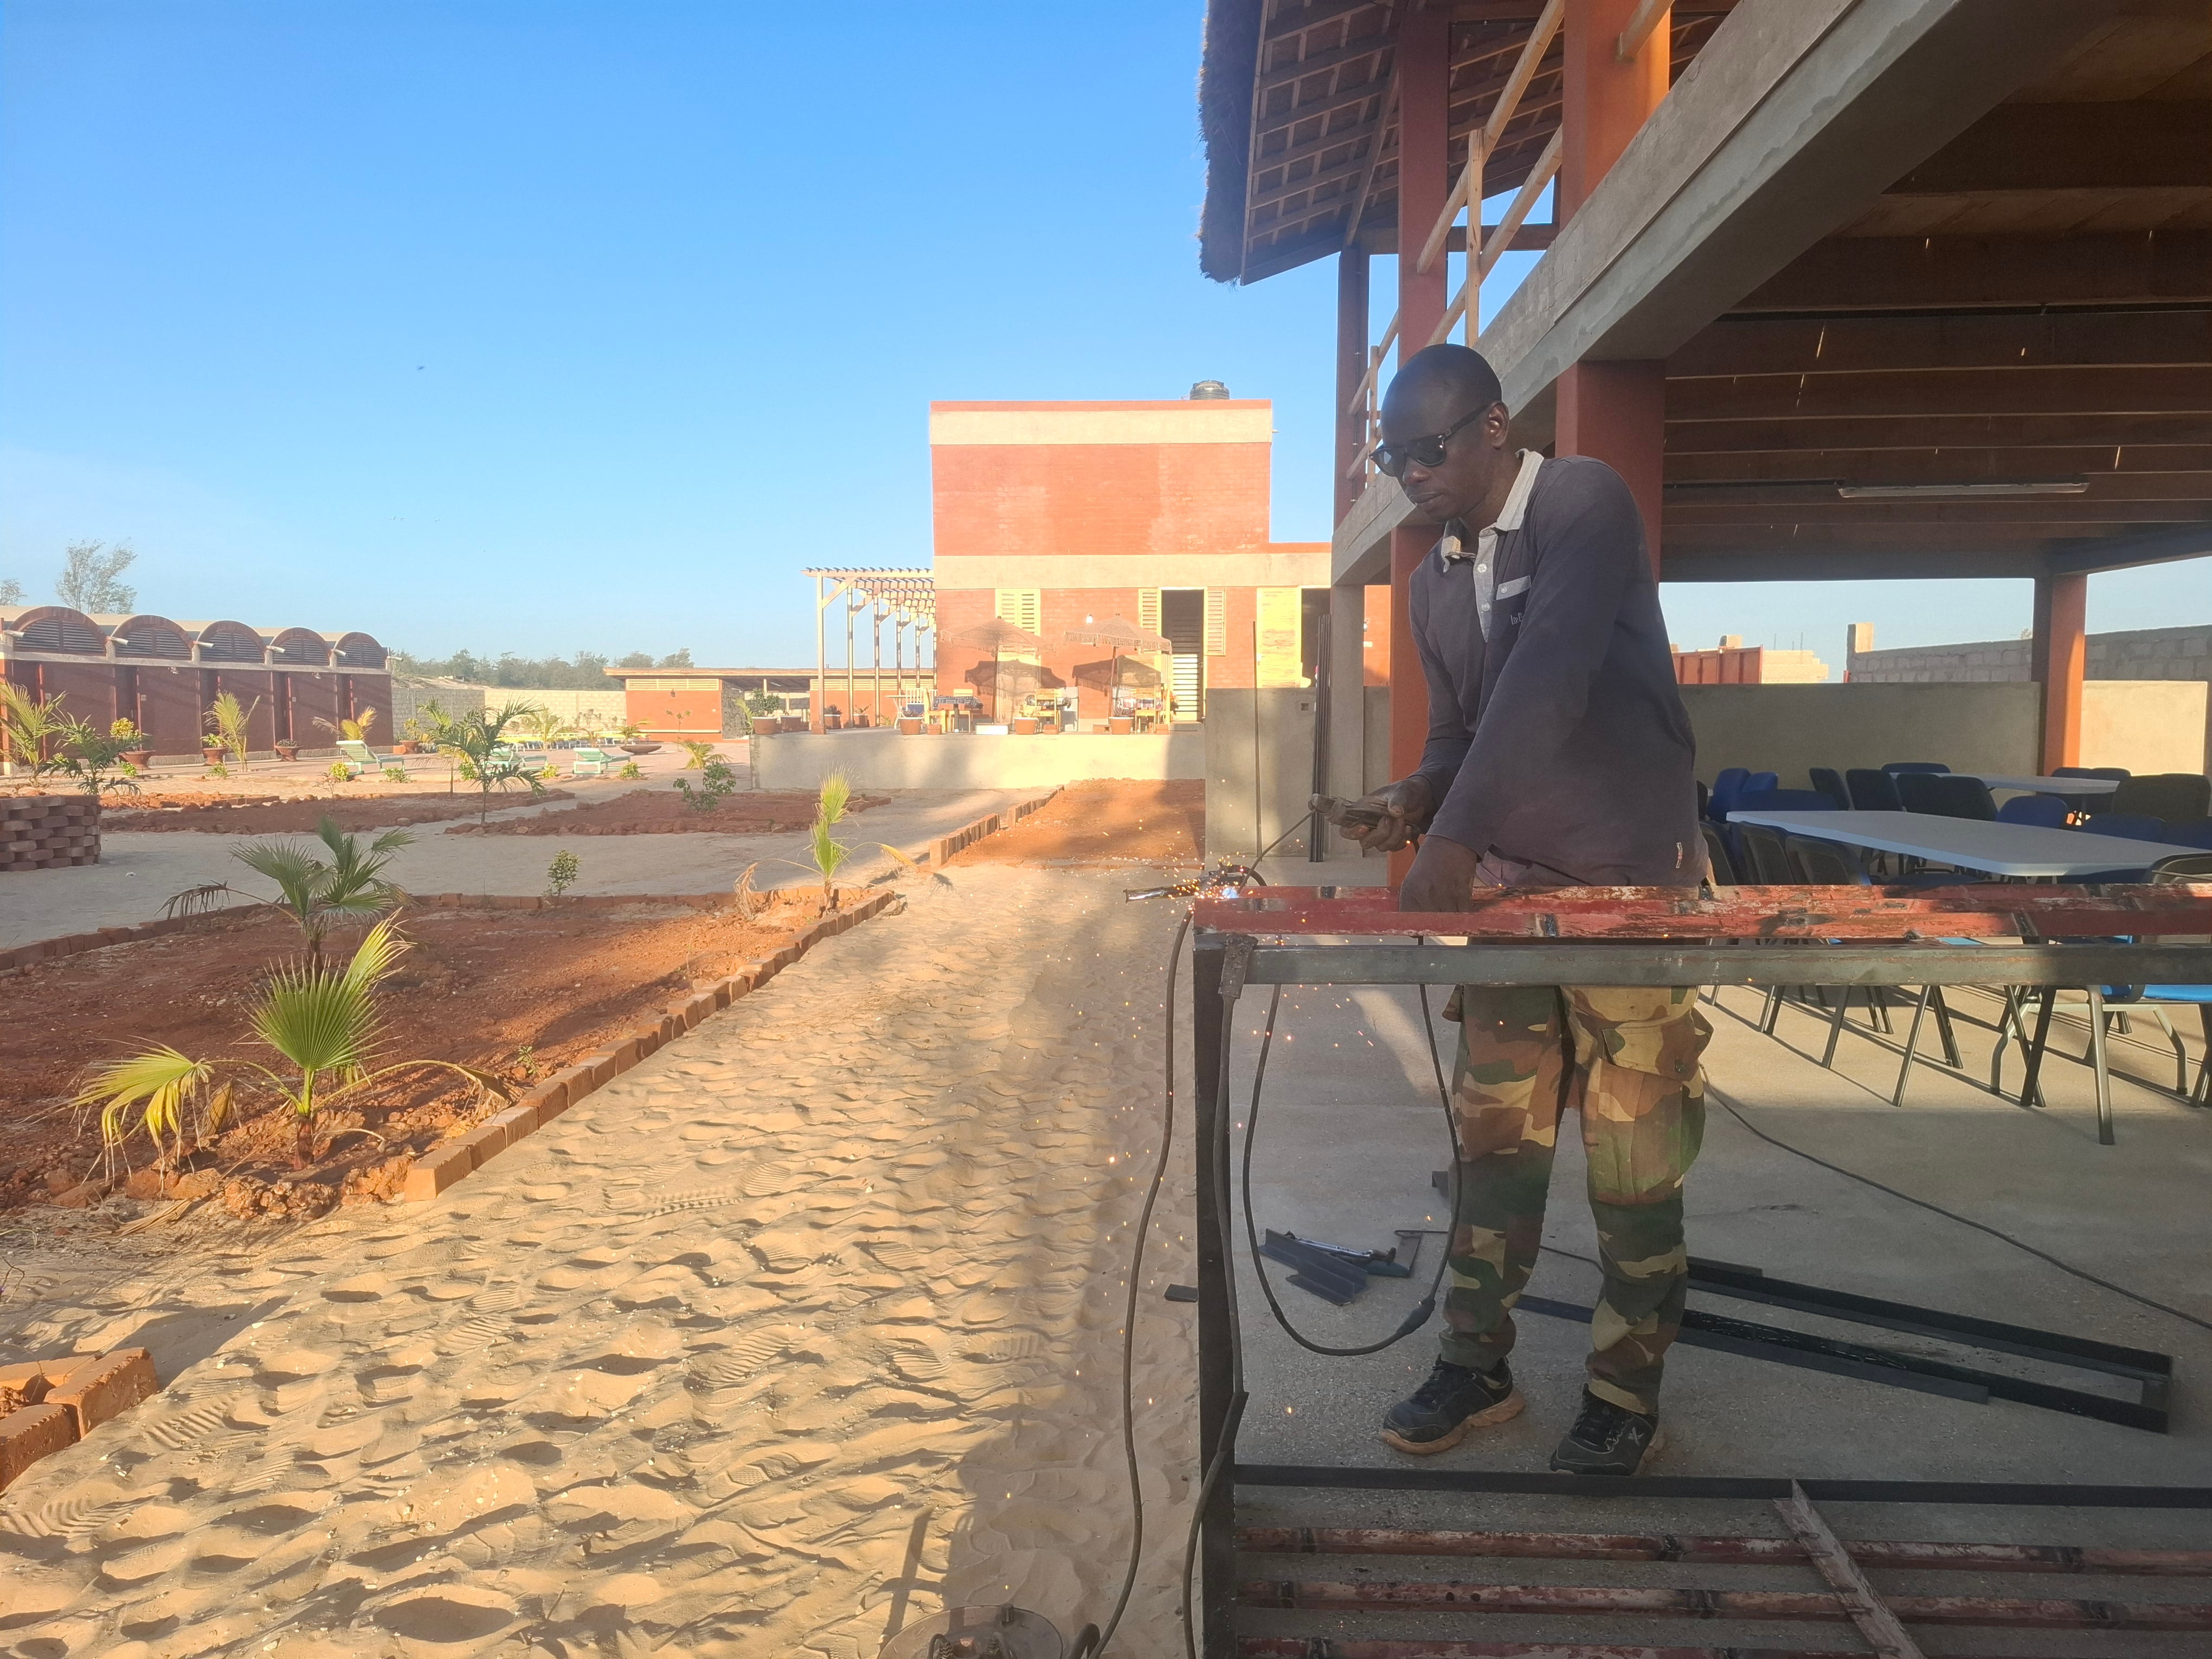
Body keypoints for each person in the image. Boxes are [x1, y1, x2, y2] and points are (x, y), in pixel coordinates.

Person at [1341, 343, 1708, 1477]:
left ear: (1495, 428)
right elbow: (1461, 733)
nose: (1410, 472)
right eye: (1391, 455)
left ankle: (1622, 1391)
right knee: (1497, 1150)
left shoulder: (1581, 504)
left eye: (1429, 448)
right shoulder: (1432, 579)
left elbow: (1552, 673)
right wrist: (1413, 799)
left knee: (1634, 1163)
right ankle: (1477, 1365)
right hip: (1510, 901)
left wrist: (1449, 840)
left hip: (1629, 892)